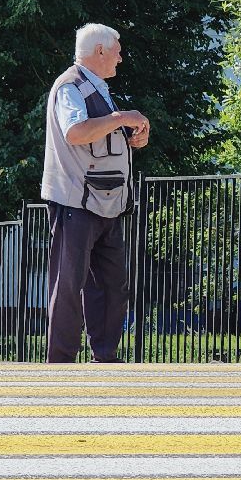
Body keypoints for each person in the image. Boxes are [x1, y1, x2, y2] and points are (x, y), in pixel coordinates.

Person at [41, 23, 150, 363]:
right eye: (116, 49)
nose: (120, 56)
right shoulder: (70, 86)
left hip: (107, 204)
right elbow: (75, 132)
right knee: (69, 285)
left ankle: (105, 358)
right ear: (99, 51)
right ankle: (61, 363)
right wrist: (122, 117)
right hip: (76, 201)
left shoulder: (95, 87)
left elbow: (102, 135)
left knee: (112, 285)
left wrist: (134, 138)